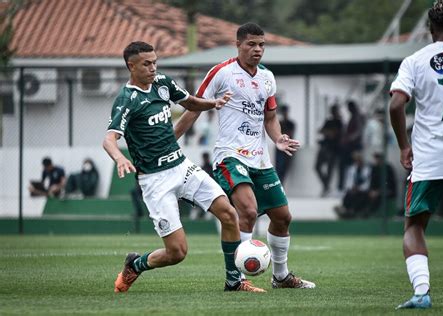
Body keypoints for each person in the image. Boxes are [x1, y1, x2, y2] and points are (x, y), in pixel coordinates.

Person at [103, 41, 265, 293]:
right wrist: (120, 158)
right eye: (146, 63)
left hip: (182, 167)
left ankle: (234, 281)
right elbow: (109, 138)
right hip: (155, 181)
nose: (153, 67)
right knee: (177, 252)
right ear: (131, 66)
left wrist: (214, 103)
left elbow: (189, 102)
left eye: (155, 62)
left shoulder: (163, 83)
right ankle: (135, 264)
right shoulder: (127, 100)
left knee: (229, 214)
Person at [175, 23, 315, 289]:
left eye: (261, 44)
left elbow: (270, 118)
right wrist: (169, 142)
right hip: (230, 157)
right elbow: (193, 108)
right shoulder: (221, 73)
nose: (257, 49)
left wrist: (278, 138)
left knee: (283, 217)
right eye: (251, 44)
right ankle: (237, 279)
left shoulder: (267, 78)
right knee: (248, 211)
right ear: (238, 44)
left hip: (260, 159)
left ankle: (281, 276)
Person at [389, 0, 443, 309]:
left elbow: (396, 105)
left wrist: (403, 146)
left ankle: (421, 293)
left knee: (414, 227)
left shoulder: (414, 60)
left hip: (431, 156)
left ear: (430, 30)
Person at [315, 103, 343, 196]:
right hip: (325, 147)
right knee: (317, 167)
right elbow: (321, 130)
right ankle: (326, 186)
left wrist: (329, 132)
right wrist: (329, 132)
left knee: (330, 170)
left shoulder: (339, 122)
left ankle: (326, 187)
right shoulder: (329, 121)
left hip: (333, 149)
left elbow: (335, 134)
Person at [333, 151, 371, 219]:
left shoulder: (367, 169)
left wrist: (359, 188)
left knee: (361, 197)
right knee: (348, 195)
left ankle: (353, 212)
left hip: (362, 190)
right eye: (356, 160)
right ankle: (345, 210)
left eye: (359, 160)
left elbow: (368, 182)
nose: (358, 162)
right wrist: (352, 187)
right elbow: (348, 181)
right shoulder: (352, 169)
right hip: (353, 190)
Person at [337, 100, 365, 192]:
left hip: (355, 146)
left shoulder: (358, 117)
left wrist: (349, 139)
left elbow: (358, 132)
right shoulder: (353, 117)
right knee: (345, 166)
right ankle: (343, 187)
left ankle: (355, 187)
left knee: (355, 167)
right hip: (350, 147)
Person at [274, 105, 296, 185]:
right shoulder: (280, 123)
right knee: (279, 168)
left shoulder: (290, 123)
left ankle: (281, 185)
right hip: (280, 149)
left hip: (287, 148)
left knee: (284, 169)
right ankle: (280, 185)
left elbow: (290, 135)